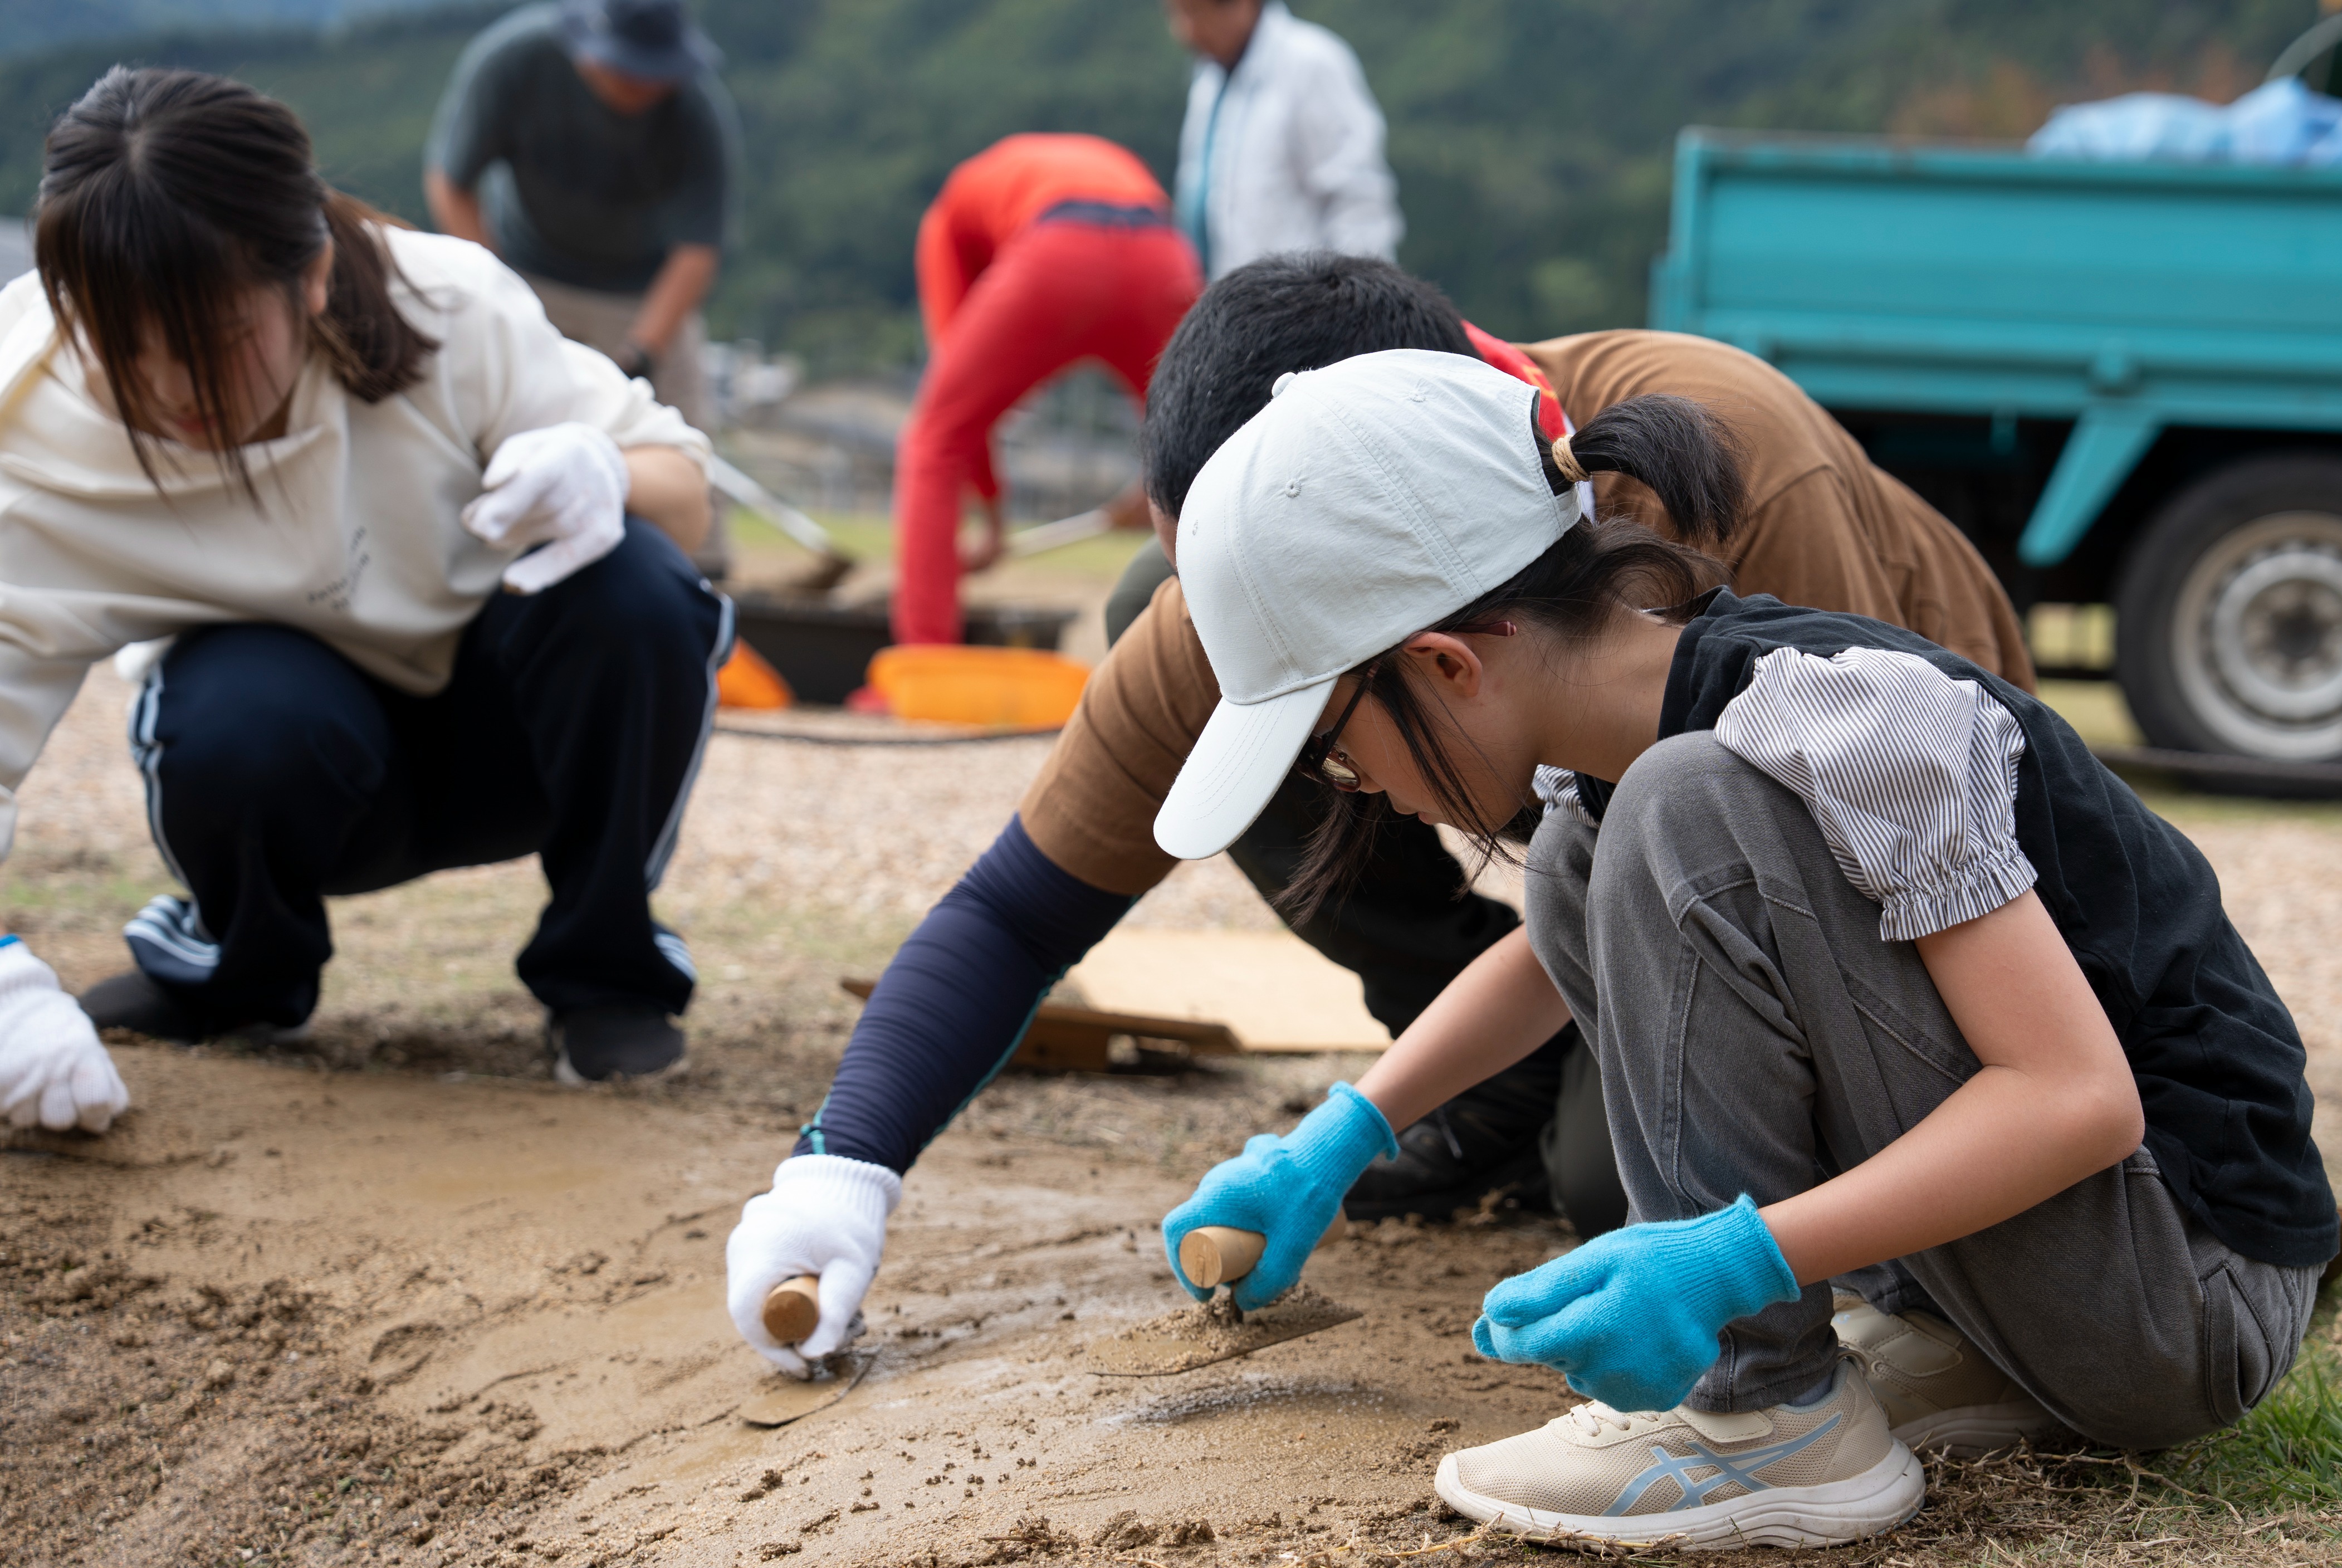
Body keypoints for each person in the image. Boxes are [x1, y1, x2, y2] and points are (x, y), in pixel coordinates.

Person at [720, 256, 2033, 1377]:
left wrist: (1747, 1256)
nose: (1333, 775)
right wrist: (842, 1167)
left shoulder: (1724, 470)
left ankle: (1583, 1117)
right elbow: (1020, 906)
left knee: (1617, 1184)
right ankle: (1495, 1078)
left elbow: (1849, 852)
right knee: (1193, 660)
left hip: (1895, 882)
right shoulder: (1272, 571)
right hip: (1624, 873)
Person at [1143, 349, 2335, 1548]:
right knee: (1578, 858)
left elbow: (2078, 1098)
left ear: (1447, 665)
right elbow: (1545, 966)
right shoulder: (1634, 739)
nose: (1358, 786)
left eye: (1335, 751)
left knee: (1678, 809)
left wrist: (1729, 1263)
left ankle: (1760, 1417)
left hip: (2187, 1296)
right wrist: (1338, 1139)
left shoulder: (1833, 720)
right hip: (2086, 1272)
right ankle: (1948, 1341)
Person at [0, 67, 727, 1113]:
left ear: (311, 277)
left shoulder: (445, 306)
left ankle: (606, 971)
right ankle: (244, 968)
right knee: (236, 705)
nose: (170, 390)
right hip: (291, 763)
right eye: (124, 349)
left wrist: (608, 470)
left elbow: (687, 498)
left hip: (516, 740)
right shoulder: (28, 428)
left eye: (215, 345)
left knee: (638, 585)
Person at [424, 0, 737, 552]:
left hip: (643, 291)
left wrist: (643, 351)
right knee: (491, 418)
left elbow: (697, 250)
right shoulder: (514, 62)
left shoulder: (694, 109)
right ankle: (477, 548)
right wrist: (497, 292)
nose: (642, 85)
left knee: (683, 442)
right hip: (527, 271)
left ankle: (701, 574)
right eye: (628, 69)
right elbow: (452, 183)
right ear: (587, 52)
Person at [886, 134, 1201, 650]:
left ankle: (923, 655)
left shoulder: (947, 216)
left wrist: (992, 517)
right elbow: (1184, 442)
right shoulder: (1084, 162)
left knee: (933, 439)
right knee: (1209, 445)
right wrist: (1153, 488)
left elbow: (960, 420)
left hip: (1058, 252)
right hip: (1162, 251)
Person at [1167, 0, 1400, 281]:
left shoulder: (1311, 64)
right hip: (1226, 300)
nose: (1185, 32)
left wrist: (1355, 298)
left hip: (1301, 302)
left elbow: (1358, 203)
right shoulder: (1209, 80)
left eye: (1194, 13)